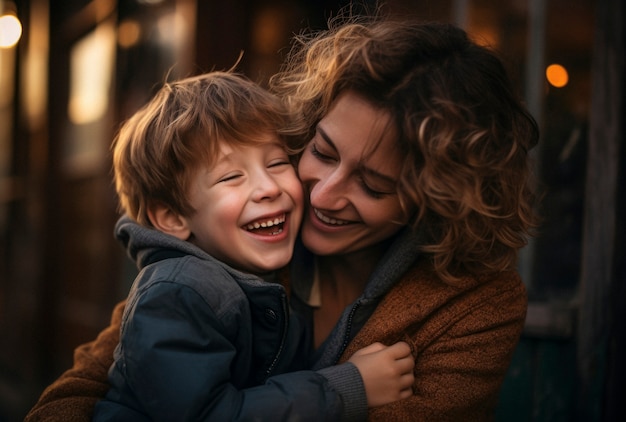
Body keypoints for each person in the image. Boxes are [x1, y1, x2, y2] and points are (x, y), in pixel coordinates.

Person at [25, 16, 539, 422]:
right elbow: (88, 385)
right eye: (322, 150)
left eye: (374, 185)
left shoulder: (476, 303)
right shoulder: (214, 257)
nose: (324, 194)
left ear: (438, 198)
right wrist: (348, 390)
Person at [84, 71, 413, 421]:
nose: (268, 187)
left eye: (277, 163)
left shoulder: (256, 279)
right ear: (173, 218)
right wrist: (349, 387)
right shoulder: (178, 295)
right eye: (230, 177)